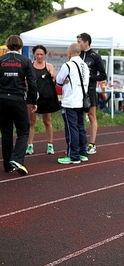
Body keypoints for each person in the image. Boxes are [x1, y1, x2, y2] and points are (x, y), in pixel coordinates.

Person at [0, 35, 38, 174]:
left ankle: (7, 166)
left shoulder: (1, 60)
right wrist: (33, 101)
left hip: (2, 99)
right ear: (20, 46)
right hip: (18, 99)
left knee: (6, 132)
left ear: (7, 45)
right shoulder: (26, 61)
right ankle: (16, 158)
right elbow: (33, 83)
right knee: (23, 131)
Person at [56, 43, 89, 164]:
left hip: (70, 101)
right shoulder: (84, 65)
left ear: (70, 52)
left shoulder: (68, 65)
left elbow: (59, 81)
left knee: (71, 128)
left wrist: (64, 82)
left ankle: (73, 155)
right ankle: (82, 153)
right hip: (81, 101)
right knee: (81, 127)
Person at [26, 45, 60, 155]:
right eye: (37, 54)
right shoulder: (30, 66)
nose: (39, 56)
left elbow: (53, 77)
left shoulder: (48, 66)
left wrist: (53, 76)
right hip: (32, 97)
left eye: (41, 54)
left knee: (47, 120)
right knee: (31, 122)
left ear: (44, 55)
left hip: (46, 97)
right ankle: (30, 145)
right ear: (34, 55)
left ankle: (50, 144)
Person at [77, 33, 107, 155]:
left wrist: (91, 77)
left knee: (91, 115)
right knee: (78, 116)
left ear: (86, 42)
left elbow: (103, 75)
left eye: (79, 41)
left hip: (90, 90)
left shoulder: (95, 56)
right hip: (77, 90)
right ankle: (79, 144)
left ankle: (92, 144)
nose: (78, 44)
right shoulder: (77, 55)